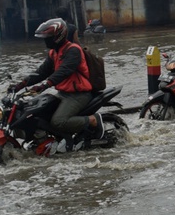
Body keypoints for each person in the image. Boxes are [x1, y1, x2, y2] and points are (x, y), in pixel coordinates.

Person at [7, 18, 103, 147]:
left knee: (58, 121)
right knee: (37, 112)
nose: (46, 41)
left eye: (48, 38)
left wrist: (45, 85)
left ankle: (93, 120)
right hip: (62, 93)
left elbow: (64, 71)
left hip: (79, 94)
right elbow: (41, 72)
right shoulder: (54, 52)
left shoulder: (73, 50)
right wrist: (21, 84)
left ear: (58, 36)